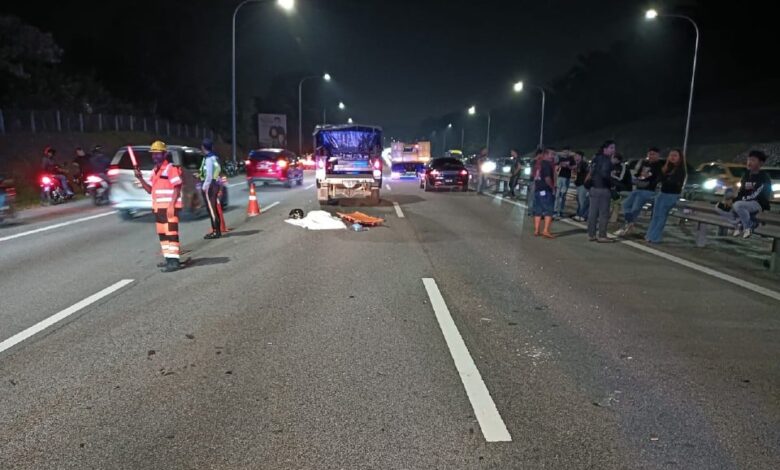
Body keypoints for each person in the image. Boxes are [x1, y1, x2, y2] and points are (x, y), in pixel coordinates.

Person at [134, 140, 183, 272]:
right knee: (163, 234)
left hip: (169, 208)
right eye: (153, 154)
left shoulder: (170, 168)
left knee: (171, 234)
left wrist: (172, 205)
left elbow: (177, 187)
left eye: (158, 153)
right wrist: (140, 178)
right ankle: (169, 259)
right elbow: (150, 190)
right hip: (158, 208)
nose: (155, 156)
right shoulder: (155, 171)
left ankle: (174, 262)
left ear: (165, 154)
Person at [716, 150, 773, 239]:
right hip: (744, 202)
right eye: (748, 160)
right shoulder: (746, 175)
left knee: (738, 205)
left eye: (753, 160)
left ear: (761, 163)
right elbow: (741, 192)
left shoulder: (764, 177)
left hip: (758, 203)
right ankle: (739, 224)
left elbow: (756, 195)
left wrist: (736, 201)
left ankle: (748, 226)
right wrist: (731, 200)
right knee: (719, 206)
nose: (749, 162)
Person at [615, 147, 663, 236]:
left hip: (648, 190)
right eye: (650, 154)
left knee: (635, 209)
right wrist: (636, 177)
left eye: (653, 154)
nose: (651, 156)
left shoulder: (659, 165)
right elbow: (638, 174)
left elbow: (657, 178)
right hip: (638, 187)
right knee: (625, 204)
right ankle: (630, 224)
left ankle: (626, 228)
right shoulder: (645, 163)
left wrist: (649, 182)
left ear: (658, 155)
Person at [645, 149, 686, 244]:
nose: (672, 157)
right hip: (662, 193)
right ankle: (649, 235)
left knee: (661, 216)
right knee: (655, 216)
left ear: (680, 158)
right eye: (671, 155)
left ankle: (655, 237)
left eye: (675, 155)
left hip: (671, 195)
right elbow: (659, 179)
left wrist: (664, 179)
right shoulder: (667, 167)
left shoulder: (680, 169)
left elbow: (673, 182)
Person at [586, 140, 616, 242]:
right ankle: (602, 236)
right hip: (603, 189)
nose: (613, 150)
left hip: (593, 188)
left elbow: (591, 172)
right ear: (605, 149)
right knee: (603, 213)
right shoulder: (606, 160)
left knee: (592, 213)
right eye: (611, 148)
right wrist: (612, 185)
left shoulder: (595, 158)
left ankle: (591, 234)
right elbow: (605, 175)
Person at [199, 138, 223, 239]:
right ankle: (217, 230)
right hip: (215, 184)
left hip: (210, 185)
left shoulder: (209, 159)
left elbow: (209, 175)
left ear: (203, 147)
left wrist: (204, 187)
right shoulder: (215, 157)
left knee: (212, 209)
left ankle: (215, 231)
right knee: (213, 208)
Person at [532, 148, 556, 238]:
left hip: (538, 190)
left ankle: (536, 230)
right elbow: (547, 179)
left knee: (538, 211)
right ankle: (545, 230)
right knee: (548, 211)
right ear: (545, 155)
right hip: (545, 190)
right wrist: (552, 187)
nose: (553, 156)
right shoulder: (546, 164)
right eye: (551, 154)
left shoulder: (538, 164)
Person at [554, 148, 575, 217]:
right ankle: (555, 210)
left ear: (569, 152)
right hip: (560, 177)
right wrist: (560, 165)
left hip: (567, 178)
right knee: (557, 195)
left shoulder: (571, 159)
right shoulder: (560, 158)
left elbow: (573, 167)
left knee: (563, 195)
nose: (565, 153)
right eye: (564, 152)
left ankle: (561, 211)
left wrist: (568, 166)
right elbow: (556, 167)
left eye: (567, 151)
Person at [572, 151, 589, 221]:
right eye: (575, 156)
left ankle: (582, 216)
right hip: (579, 184)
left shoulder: (583, 164)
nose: (575, 157)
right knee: (579, 201)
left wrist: (585, 182)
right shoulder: (578, 164)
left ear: (580, 156)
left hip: (582, 185)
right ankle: (578, 214)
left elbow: (589, 173)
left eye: (576, 156)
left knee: (582, 201)